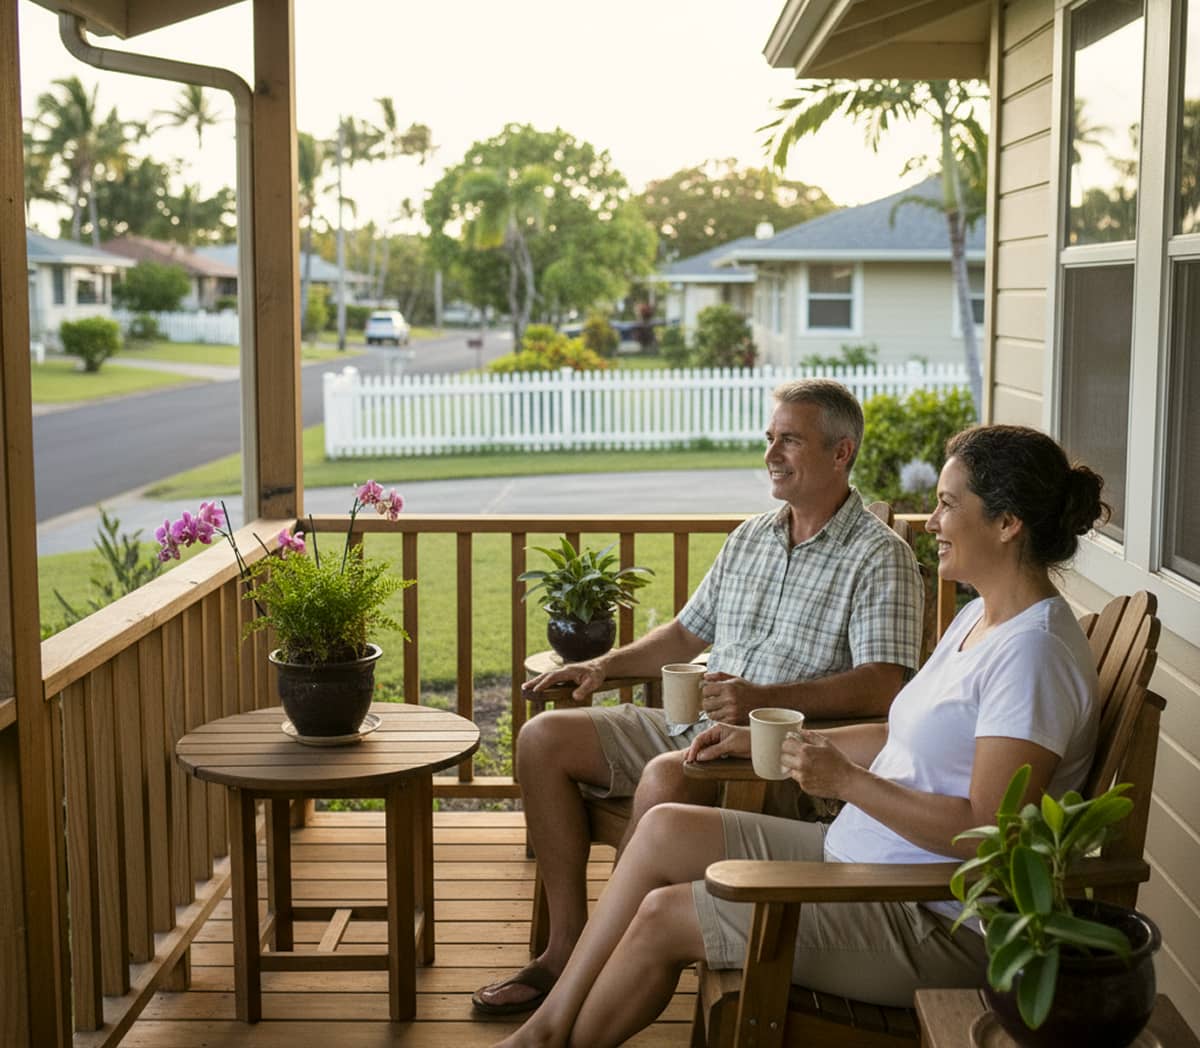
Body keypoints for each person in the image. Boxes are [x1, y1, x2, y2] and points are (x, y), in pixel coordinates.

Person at [489, 424, 1109, 1048]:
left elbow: (988, 836)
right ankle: (545, 1027)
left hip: (931, 917)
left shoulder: (1034, 657)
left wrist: (846, 782)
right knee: (663, 828)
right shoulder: (980, 615)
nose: (931, 522)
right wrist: (774, 744)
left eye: (949, 504)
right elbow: (901, 732)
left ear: (1007, 524)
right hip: (859, 862)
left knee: (663, 916)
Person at [473, 378, 924, 1015]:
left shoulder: (881, 558)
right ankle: (567, 949)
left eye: (789, 440)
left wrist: (760, 697)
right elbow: (686, 633)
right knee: (542, 737)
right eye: (770, 438)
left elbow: (885, 682)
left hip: (769, 755)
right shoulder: (750, 537)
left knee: (664, 774)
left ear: (841, 451)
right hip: (690, 722)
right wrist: (603, 665)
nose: (771, 452)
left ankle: (605, 968)